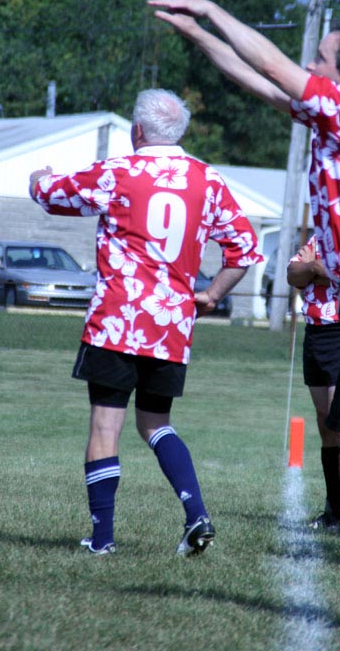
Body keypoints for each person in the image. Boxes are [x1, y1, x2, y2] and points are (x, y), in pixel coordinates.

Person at [149, 0, 340, 633]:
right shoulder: (338, 115)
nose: (309, 64)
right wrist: (196, 35)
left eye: (321, 57)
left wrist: (209, 6)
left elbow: (274, 66)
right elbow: (260, 81)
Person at [29, 88, 263, 556]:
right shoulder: (207, 179)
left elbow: (51, 195)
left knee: (105, 427)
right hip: (171, 323)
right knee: (156, 423)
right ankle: (196, 514)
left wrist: (40, 177)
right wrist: (213, 294)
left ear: (137, 130)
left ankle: (102, 540)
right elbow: (245, 248)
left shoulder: (121, 171)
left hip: (118, 319)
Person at [287, 236, 340, 538]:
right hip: (315, 333)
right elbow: (293, 274)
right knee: (325, 425)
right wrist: (313, 268)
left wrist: (318, 269)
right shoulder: (319, 236)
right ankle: (333, 509)